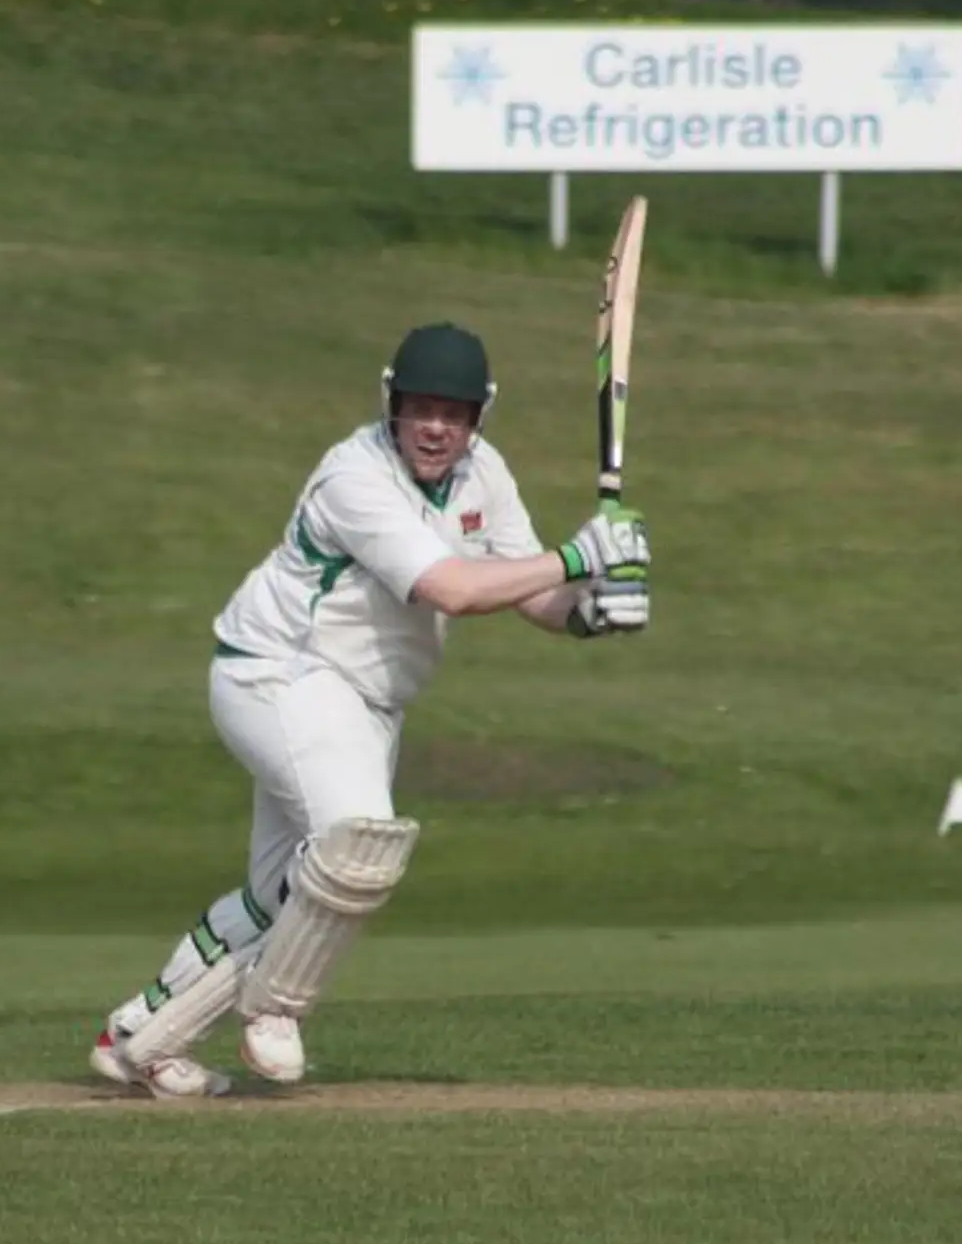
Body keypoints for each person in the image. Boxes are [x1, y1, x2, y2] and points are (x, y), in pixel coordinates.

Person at [88, 323, 650, 1098]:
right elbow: (451, 588)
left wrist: (591, 608)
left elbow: (528, 592)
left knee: (284, 892)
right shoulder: (354, 477)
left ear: (479, 416)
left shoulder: (484, 474)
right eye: (419, 407)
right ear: (391, 403)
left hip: (365, 703)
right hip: (281, 673)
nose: (434, 427)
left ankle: (136, 1037)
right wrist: (581, 557)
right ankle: (275, 1010)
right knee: (357, 845)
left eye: (453, 413)